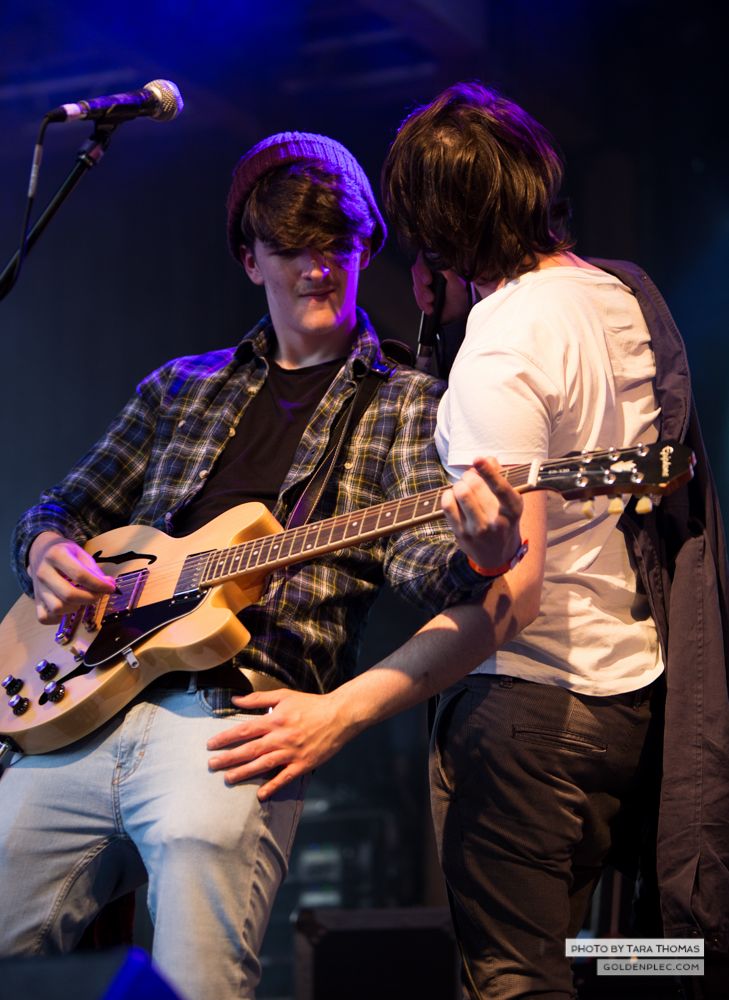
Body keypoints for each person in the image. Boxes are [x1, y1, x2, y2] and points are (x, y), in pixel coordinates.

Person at [214, 87, 729, 999]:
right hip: (640, 706)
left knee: (511, 978)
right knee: (640, 959)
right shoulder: (620, 294)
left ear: (430, 239)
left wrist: (342, 711)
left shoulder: (498, 349)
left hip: (530, 726)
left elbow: (509, 598)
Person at [0, 131, 523, 999]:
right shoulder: (180, 387)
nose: (318, 270)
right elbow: (56, 511)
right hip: (79, 706)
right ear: (250, 259)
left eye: (339, 248)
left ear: (366, 250)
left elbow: (439, 571)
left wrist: (487, 546)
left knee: (199, 984)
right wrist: (49, 553)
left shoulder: (408, 404)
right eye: (291, 251)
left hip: (235, 728)